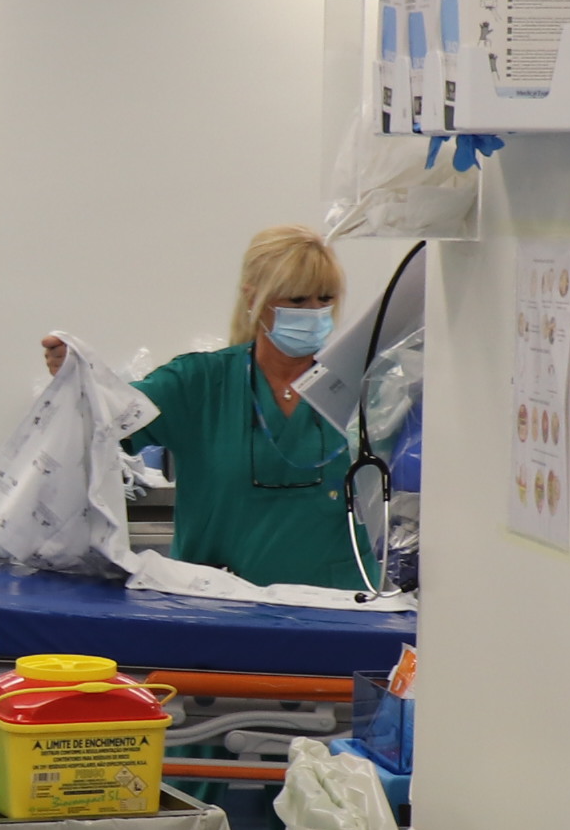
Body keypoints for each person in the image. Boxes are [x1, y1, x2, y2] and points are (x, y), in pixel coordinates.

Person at [39, 225, 372, 589]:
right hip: (221, 601)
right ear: (253, 298)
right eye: (297, 300)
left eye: (325, 299)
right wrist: (77, 377)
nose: (315, 312)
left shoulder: (361, 385)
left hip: (339, 601)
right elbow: (108, 414)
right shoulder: (198, 384)